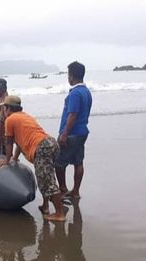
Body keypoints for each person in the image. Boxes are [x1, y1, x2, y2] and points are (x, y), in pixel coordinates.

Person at [0, 95, 65, 221]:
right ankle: (45, 206)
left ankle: (60, 214)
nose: (3, 112)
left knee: (48, 182)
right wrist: (14, 158)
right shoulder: (25, 116)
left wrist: (6, 160)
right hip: (51, 143)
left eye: (3, 109)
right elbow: (20, 143)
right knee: (44, 177)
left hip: (42, 147)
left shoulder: (10, 120)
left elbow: (9, 142)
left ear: (8, 108)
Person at [55, 61, 92, 199]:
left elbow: (72, 114)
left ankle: (63, 189)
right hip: (82, 132)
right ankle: (75, 191)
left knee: (58, 163)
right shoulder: (86, 91)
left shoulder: (75, 93)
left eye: (68, 74)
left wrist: (64, 134)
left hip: (72, 133)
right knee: (78, 162)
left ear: (72, 76)